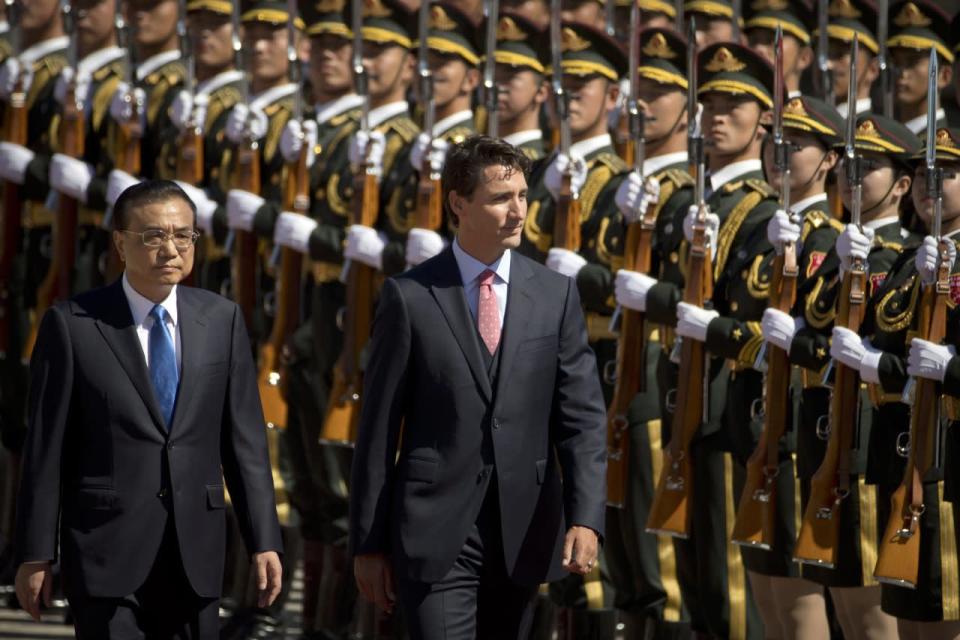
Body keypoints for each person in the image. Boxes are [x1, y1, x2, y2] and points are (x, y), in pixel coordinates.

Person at [349, 135, 607, 639]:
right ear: (458, 204)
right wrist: (368, 543)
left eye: (523, 197)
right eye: (499, 199)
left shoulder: (554, 295)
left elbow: (582, 419)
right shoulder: (410, 297)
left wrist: (586, 516)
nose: (517, 212)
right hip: (434, 527)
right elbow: (378, 431)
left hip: (524, 528)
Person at [13, 179, 283, 637]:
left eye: (184, 235)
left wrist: (264, 540)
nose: (171, 249)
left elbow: (245, 444)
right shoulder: (74, 324)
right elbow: (46, 448)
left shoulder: (221, 320)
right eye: (154, 236)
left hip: (195, 551)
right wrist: (36, 551)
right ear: (120, 243)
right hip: (106, 550)